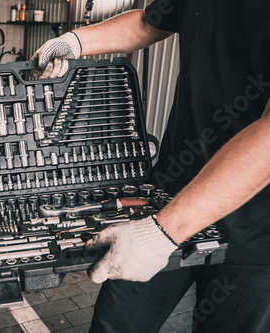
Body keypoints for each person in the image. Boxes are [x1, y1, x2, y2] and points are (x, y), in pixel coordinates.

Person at [32, 1, 270, 332]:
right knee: (115, 325)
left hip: (254, 234)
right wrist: (75, 41)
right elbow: (148, 23)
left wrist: (161, 234)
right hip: (162, 197)